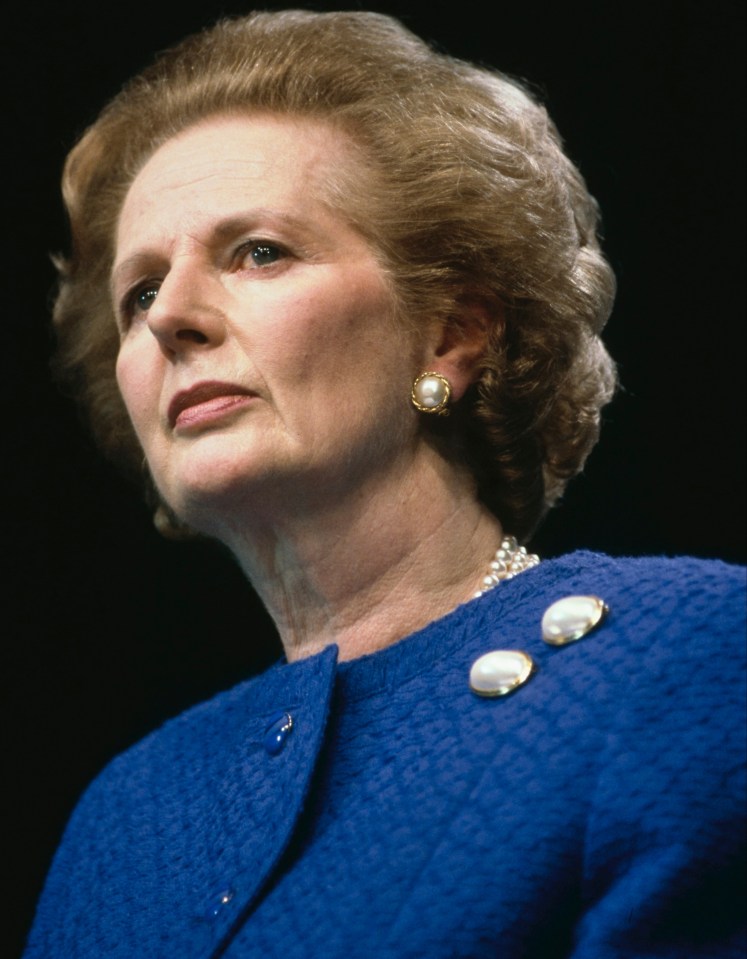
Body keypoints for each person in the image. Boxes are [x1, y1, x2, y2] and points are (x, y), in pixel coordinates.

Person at [23, 9, 745, 958]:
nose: (171, 320)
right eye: (140, 291)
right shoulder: (125, 814)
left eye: (259, 252)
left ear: (452, 332)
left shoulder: (686, 651)